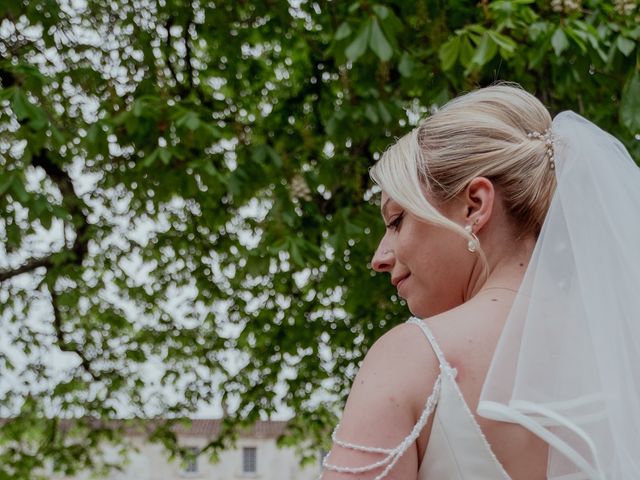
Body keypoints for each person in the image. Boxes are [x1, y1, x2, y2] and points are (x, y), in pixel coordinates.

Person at [320, 84, 640, 479]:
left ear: (474, 205)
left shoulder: (413, 358)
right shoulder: (621, 355)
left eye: (397, 220)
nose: (379, 258)